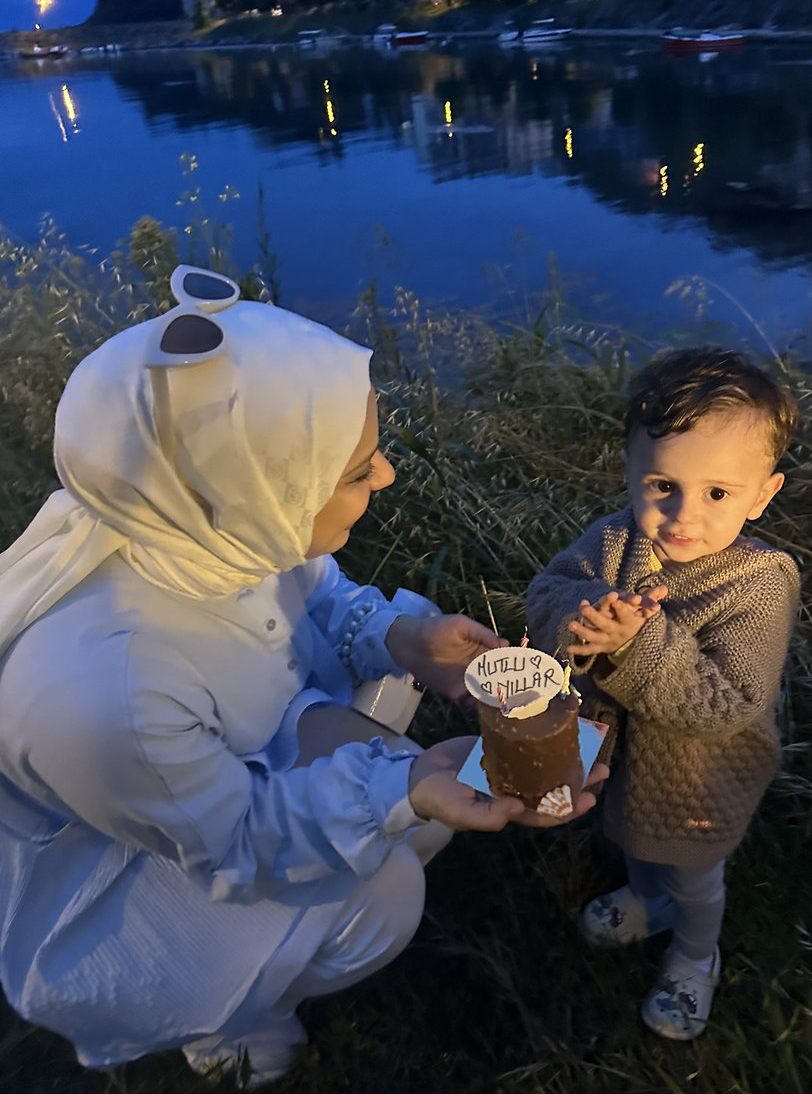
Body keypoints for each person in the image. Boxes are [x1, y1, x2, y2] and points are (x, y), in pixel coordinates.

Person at [0, 266, 602, 1089]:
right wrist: (406, 786)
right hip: (123, 876)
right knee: (390, 892)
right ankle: (230, 1019)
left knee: (407, 816)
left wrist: (402, 638)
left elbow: (315, 591)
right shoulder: (108, 693)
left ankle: (324, 888)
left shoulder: (194, 516)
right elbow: (238, 839)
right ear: (252, 492)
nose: (385, 476)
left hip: (209, 772)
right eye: (357, 470)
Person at [526, 347, 800, 1041]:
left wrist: (635, 642)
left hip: (698, 776)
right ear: (629, 468)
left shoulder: (759, 582)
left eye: (717, 494)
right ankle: (647, 901)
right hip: (614, 750)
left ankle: (695, 954)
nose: (683, 515)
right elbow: (549, 589)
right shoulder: (615, 539)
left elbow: (728, 700)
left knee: (694, 875)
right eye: (662, 485)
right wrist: (588, 611)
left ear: (763, 494)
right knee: (631, 839)